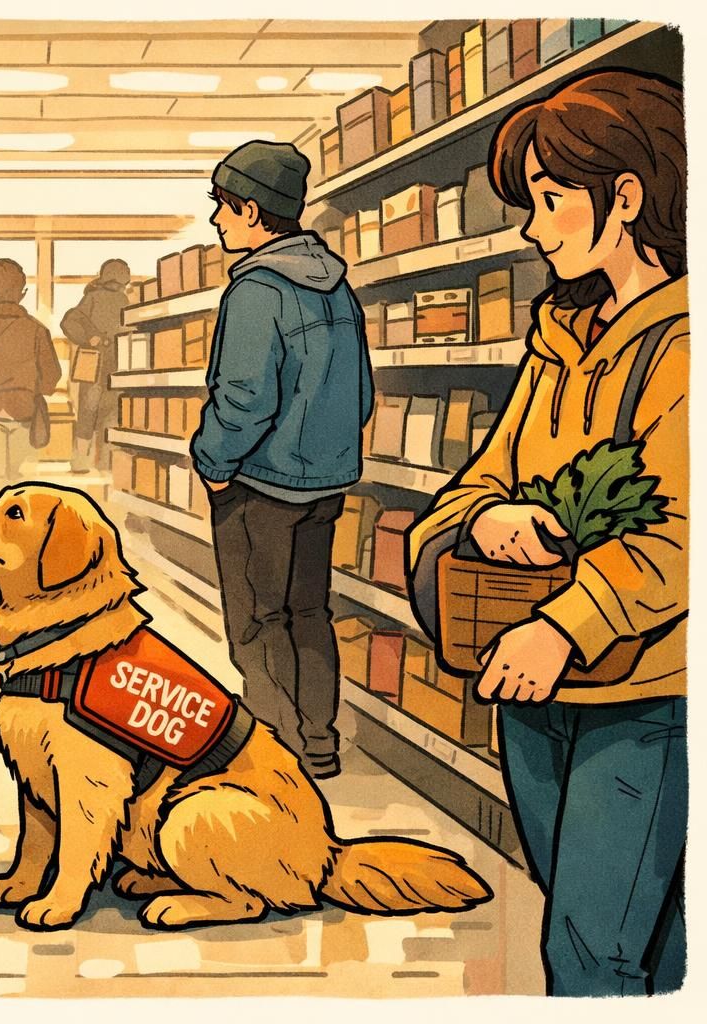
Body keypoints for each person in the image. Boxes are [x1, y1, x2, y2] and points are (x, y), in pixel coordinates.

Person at [407, 70, 687, 996]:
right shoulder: (558, 340)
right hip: (530, 693)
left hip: (644, 697)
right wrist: (490, 513)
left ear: (629, 198)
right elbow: (481, 478)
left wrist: (564, 622)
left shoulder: (684, 346)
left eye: (551, 200)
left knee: (590, 953)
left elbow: (685, 534)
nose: (533, 227)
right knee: (634, 944)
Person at [189, 140, 372, 781]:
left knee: (258, 622)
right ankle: (318, 743)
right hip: (323, 484)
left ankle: (272, 757)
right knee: (310, 614)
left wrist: (211, 459)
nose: (216, 221)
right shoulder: (337, 288)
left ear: (253, 212)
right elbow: (363, 391)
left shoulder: (257, 291)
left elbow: (242, 397)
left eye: (224, 207)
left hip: (259, 484)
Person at [0, 258, 62, 496]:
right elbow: (51, 379)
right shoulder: (37, 330)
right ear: (23, 293)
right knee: (20, 489)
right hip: (24, 416)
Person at [60, 259, 132, 472]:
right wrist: (89, 337)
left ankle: (99, 461)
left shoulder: (120, 298)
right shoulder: (93, 298)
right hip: (96, 364)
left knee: (102, 411)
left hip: (112, 363)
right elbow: (69, 322)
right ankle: (88, 460)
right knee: (92, 412)